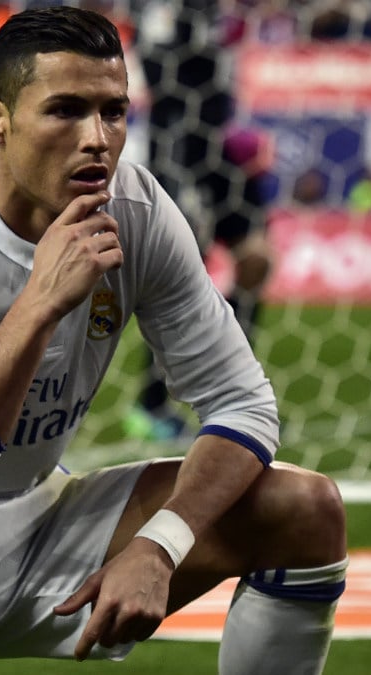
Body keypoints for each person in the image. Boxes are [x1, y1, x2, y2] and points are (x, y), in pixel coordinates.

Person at [0, 7, 347, 675]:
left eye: (114, 111)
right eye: (66, 111)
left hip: (38, 516)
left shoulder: (137, 212)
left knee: (303, 509)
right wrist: (40, 302)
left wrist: (160, 545)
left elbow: (244, 403)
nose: (97, 139)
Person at [127, 1, 276, 442]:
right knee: (181, 278)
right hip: (182, 152)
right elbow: (159, 71)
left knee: (256, 261)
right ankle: (150, 403)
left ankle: (234, 389)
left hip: (225, 147)